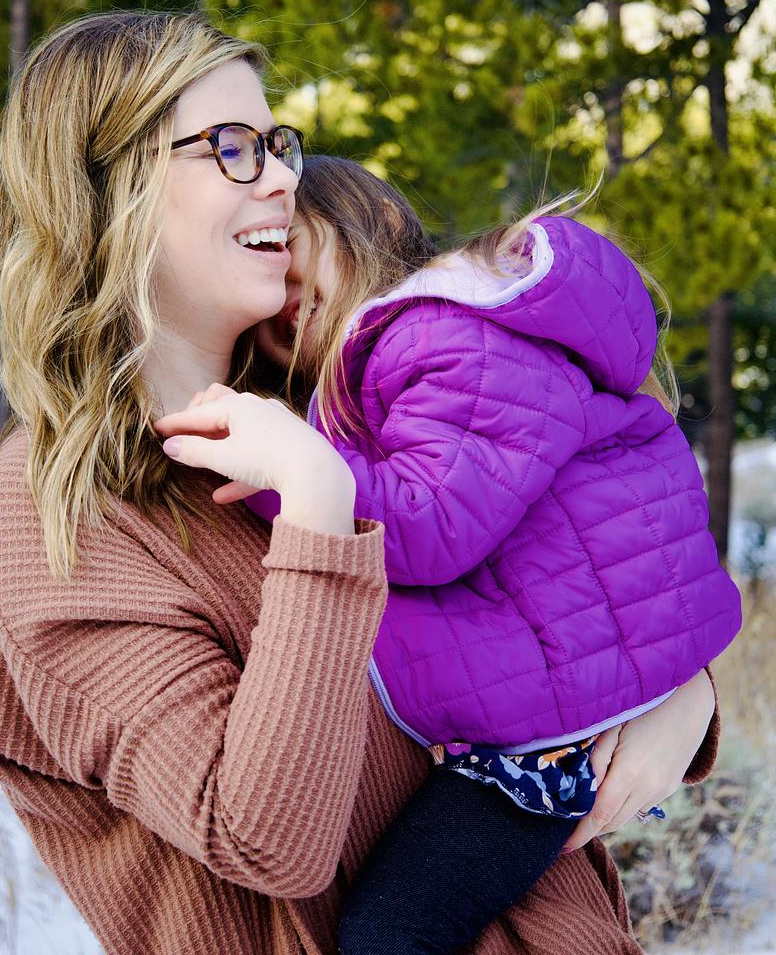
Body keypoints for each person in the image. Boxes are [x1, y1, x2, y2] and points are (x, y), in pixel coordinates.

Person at [0, 11, 722, 955]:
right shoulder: (47, 517)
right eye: (231, 148)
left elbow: (570, 568)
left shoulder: (345, 401)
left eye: (277, 144)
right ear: (104, 188)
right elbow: (267, 839)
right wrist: (318, 511)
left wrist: (683, 697)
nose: (282, 178)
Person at [252, 155, 742, 954]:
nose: (279, 296)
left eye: (292, 256)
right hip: (560, 707)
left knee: (393, 932)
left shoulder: (433, 339)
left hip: (551, 733)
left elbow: (433, 520)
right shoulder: (436, 344)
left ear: (374, 223)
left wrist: (286, 472)